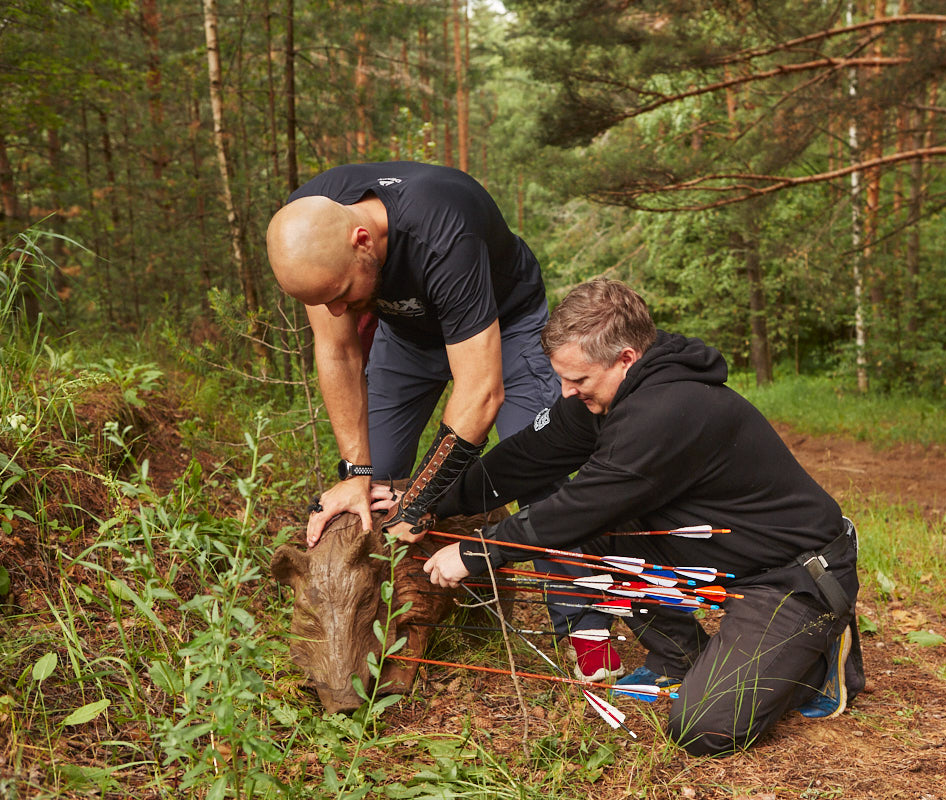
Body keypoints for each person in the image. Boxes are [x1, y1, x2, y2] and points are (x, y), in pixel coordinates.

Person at [415, 278, 865, 756]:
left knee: (702, 728)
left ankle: (818, 664)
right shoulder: (605, 396)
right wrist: (428, 500)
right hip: (718, 552)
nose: (566, 394)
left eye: (578, 380)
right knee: (590, 531)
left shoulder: (666, 410)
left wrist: (477, 550)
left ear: (626, 358)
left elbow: (579, 505)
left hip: (791, 575)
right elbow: (525, 457)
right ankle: (680, 652)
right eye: (562, 379)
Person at [265, 161, 621, 681]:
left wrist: (424, 501)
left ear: (362, 240)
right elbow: (338, 353)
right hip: (409, 336)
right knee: (372, 494)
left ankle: (584, 624)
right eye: (324, 301)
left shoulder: (442, 229)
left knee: (536, 460)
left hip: (504, 321)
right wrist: (355, 474)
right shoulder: (312, 227)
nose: (338, 311)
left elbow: (480, 392)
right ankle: (382, 628)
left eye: (341, 293)